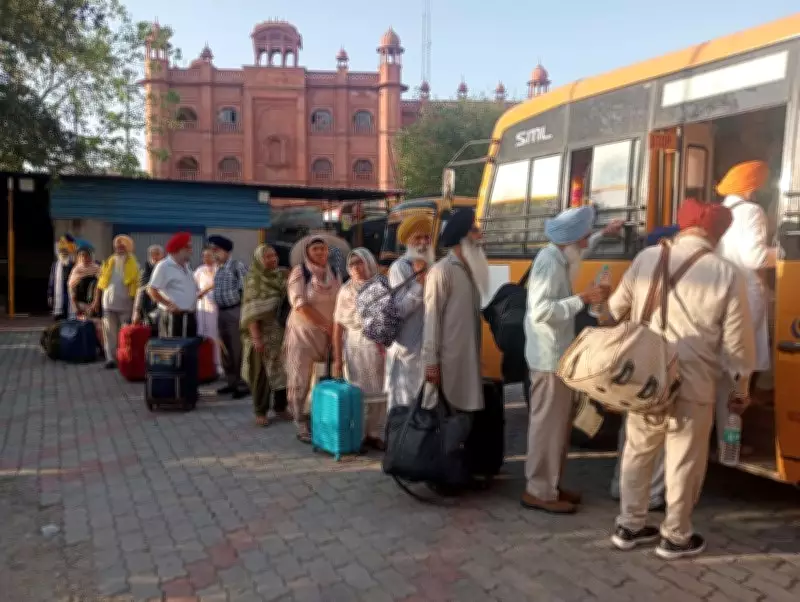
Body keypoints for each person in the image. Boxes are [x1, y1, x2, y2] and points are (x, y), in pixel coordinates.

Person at [608, 198, 755, 560]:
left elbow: (614, 309)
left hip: (646, 377)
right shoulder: (726, 273)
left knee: (638, 451)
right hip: (694, 381)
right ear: (717, 234)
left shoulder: (647, 258)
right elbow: (737, 344)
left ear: (683, 225)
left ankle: (629, 525)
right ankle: (675, 536)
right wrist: (741, 388)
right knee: (683, 460)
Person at [523, 206, 624, 514]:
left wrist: (604, 234)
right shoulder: (549, 263)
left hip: (557, 358)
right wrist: (582, 299)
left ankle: (551, 485)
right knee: (547, 427)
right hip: (548, 360)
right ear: (569, 240)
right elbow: (542, 311)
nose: (585, 243)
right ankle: (539, 490)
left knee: (558, 427)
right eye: (583, 238)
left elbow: (582, 249)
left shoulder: (561, 255)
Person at [609, 226, 680, 512]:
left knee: (632, 429)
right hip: (662, 359)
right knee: (658, 431)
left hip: (637, 355)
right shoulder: (683, 269)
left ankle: (620, 485)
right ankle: (651, 495)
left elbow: (614, 308)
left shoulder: (640, 264)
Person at [715, 160, 776, 450]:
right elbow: (755, 257)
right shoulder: (752, 212)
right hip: (746, 301)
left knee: (724, 377)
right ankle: (730, 445)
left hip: (723, 299)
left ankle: (723, 442)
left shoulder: (721, 212)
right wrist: (784, 253)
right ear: (753, 186)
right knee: (738, 379)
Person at [422, 207, 487, 416]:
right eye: (475, 231)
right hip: (448, 363)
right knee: (446, 421)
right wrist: (431, 362)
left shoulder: (471, 270)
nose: (480, 236)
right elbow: (432, 318)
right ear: (463, 237)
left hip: (469, 360)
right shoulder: (442, 270)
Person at [284, 237, 341, 443]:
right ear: (307, 252)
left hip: (328, 336)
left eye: (323, 249)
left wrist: (335, 330)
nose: (320, 252)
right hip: (303, 334)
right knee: (300, 378)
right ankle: (299, 421)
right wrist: (326, 325)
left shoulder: (335, 272)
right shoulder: (300, 272)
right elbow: (299, 304)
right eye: (315, 249)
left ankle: (322, 419)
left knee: (325, 378)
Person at [333, 248, 386, 450]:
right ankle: (358, 435)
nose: (356, 267)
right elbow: (338, 325)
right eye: (352, 263)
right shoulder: (346, 291)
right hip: (356, 347)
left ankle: (374, 434)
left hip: (379, 347)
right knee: (357, 393)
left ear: (369, 262)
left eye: (360, 262)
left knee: (380, 393)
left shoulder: (381, 286)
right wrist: (337, 359)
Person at [384, 214, 434, 410]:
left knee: (424, 403)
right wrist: (420, 283)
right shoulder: (399, 267)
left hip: (426, 346)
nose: (422, 242)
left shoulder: (432, 266)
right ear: (407, 241)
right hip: (406, 348)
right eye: (417, 238)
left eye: (426, 237)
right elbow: (400, 309)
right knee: (403, 405)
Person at [240, 244, 290, 427]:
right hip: (261, 334)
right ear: (259, 259)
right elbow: (251, 312)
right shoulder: (253, 280)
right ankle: (260, 411)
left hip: (280, 333)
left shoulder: (280, 276)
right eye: (268, 256)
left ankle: (280, 407)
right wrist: (256, 338)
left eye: (274, 255)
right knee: (261, 374)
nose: (273, 259)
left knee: (282, 371)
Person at [208, 235, 249, 399]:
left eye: (216, 250)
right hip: (222, 312)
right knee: (225, 349)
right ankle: (231, 382)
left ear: (226, 251)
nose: (214, 254)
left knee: (238, 349)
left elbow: (246, 290)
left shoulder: (237, 266)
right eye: (212, 250)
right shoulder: (219, 268)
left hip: (235, 311)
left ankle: (243, 385)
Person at [92, 235, 140, 369]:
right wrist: (96, 301)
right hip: (108, 304)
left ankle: (124, 358)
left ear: (128, 248)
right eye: (117, 246)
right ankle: (110, 359)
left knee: (124, 334)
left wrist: (136, 307)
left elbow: (138, 287)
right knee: (109, 333)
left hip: (126, 305)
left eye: (122, 246)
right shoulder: (109, 262)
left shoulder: (134, 264)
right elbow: (100, 284)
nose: (119, 248)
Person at [148, 232, 199, 338]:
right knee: (173, 346)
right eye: (188, 247)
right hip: (173, 317)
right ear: (179, 249)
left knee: (189, 346)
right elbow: (151, 289)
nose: (191, 251)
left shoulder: (186, 266)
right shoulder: (164, 266)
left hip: (189, 316)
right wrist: (168, 304)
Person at [195, 247, 221, 373]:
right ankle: (204, 363)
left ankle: (218, 363)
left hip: (215, 306)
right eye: (204, 256)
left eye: (209, 255)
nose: (206, 258)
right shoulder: (200, 270)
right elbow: (193, 284)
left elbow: (216, 282)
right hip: (202, 306)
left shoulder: (219, 269)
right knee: (202, 333)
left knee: (215, 334)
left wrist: (203, 291)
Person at [133, 245, 165, 329]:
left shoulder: (168, 269)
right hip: (149, 308)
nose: (154, 257)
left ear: (163, 256)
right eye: (152, 254)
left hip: (165, 308)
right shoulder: (146, 271)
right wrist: (136, 311)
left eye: (157, 254)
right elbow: (141, 291)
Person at [68, 243, 101, 318]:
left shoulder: (96, 268)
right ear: (79, 258)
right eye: (82, 256)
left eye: (87, 256)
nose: (85, 258)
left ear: (91, 257)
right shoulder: (76, 269)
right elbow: (71, 287)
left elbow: (100, 286)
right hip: (79, 302)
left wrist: (96, 302)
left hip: (93, 302)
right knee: (80, 322)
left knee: (92, 322)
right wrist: (75, 306)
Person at [48, 234, 76, 321]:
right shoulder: (55, 265)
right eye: (62, 251)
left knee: (70, 318)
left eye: (66, 251)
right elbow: (52, 281)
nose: (63, 253)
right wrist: (50, 295)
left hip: (70, 294)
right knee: (59, 319)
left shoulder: (73, 265)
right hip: (59, 295)